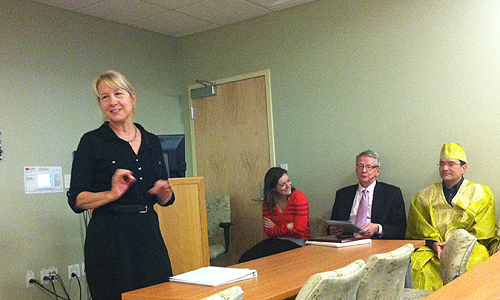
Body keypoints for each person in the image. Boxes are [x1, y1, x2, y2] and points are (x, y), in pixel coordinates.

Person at [67, 70, 175, 300]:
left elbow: (166, 199)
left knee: (160, 294)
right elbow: (76, 200)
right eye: (104, 97)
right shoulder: (92, 142)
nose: (112, 101)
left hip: (148, 235)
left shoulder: (152, 141)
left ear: (132, 98)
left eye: (118, 93)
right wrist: (112, 193)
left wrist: (164, 193)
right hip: (109, 239)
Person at [406, 143, 498, 291]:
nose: (445, 168)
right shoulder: (423, 196)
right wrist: (435, 244)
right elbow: (418, 228)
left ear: (464, 168)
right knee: (417, 265)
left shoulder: (481, 193)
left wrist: (455, 245)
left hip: (469, 249)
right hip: (432, 250)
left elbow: (483, 230)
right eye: (441, 164)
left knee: (476, 262)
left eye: (451, 164)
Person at [329, 150, 406, 239]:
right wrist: (333, 230)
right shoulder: (343, 194)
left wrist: (378, 228)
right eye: (360, 166)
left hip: (377, 242)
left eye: (369, 167)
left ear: (377, 171)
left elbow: (400, 228)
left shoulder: (391, 194)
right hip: (347, 242)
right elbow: (333, 223)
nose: (364, 170)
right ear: (356, 169)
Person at [238, 167, 310, 263]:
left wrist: (275, 227)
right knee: (246, 258)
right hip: (275, 239)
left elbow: (299, 231)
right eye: (282, 184)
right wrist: (288, 226)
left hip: (297, 241)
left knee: (267, 257)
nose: (288, 186)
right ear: (273, 188)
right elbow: (268, 231)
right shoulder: (268, 202)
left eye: (288, 181)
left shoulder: (298, 197)